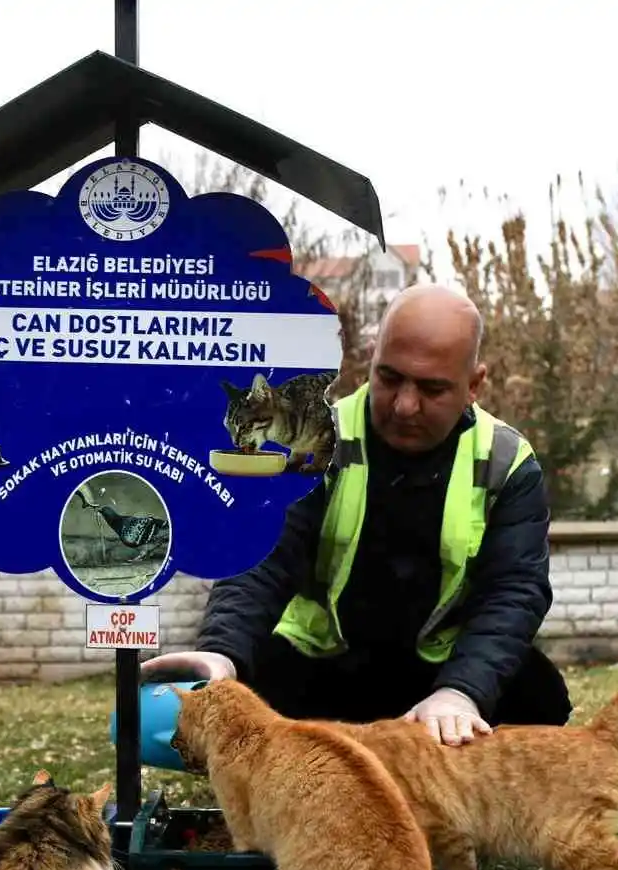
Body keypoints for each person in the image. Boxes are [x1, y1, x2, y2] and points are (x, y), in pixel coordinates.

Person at [141, 283, 574, 745]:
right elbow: (264, 561)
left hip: (439, 674)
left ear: (473, 386)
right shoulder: (315, 445)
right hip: (323, 668)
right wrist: (222, 655)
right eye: (389, 378)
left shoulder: (507, 462)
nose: (405, 405)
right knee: (197, 715)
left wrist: (461, 693)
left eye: (432, 388)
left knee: (539, 698)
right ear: (371, 357)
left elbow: (515, 591)